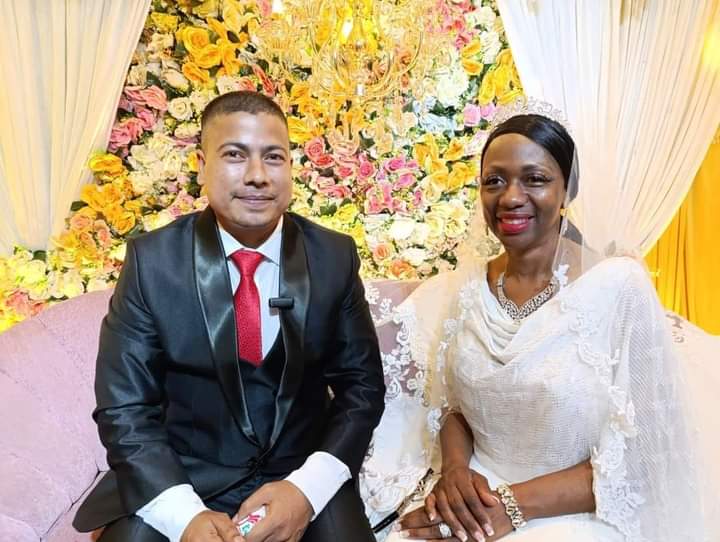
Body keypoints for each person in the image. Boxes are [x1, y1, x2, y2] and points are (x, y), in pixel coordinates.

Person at [375, 112, 715, 541]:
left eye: (534, 179)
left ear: (567, 190)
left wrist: (510, 507)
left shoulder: (618, 285)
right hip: (478, 493)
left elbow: (649, 455)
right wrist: (456, 473)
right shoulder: (468, 285)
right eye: (494, 181)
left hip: (576, 512)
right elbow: (454, 407)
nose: (510, 197)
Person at [73, 90, 385, 542]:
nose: (257, 175)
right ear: (202, 166)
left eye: (273, 157)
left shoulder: (334, 256)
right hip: (181, 476)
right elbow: (124, 407)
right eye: (235, 155)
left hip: (298, 475)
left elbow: (362, 389)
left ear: (291, 168)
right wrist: (184, 516)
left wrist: (306, 490)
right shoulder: (152, 263)